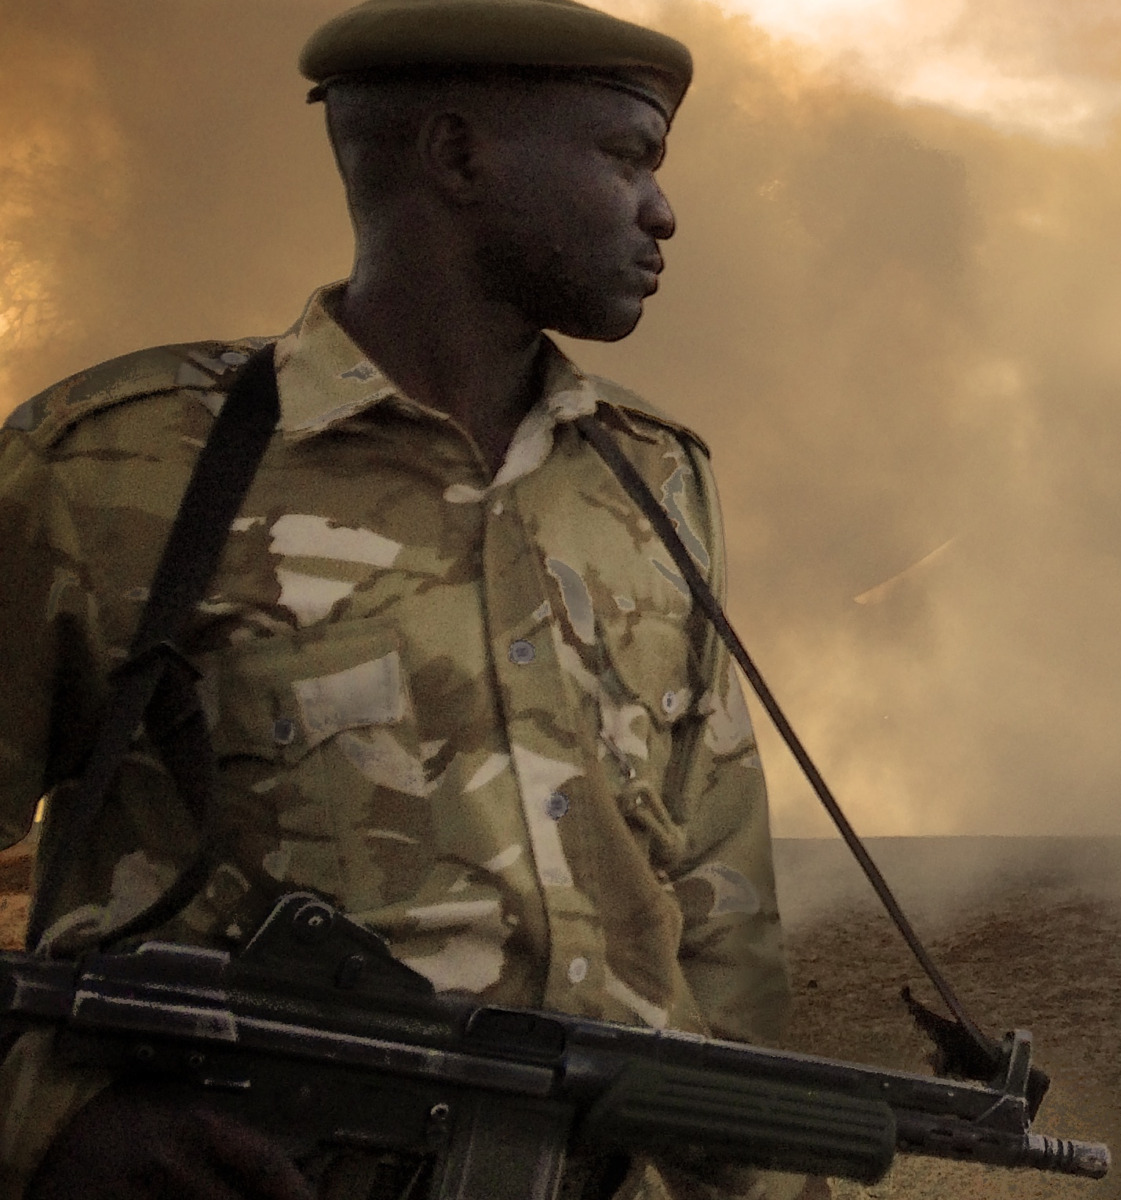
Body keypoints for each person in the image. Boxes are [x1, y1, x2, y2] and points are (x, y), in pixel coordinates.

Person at [0, 1, 806, 1195]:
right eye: (626, 156)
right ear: (458, 155)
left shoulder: (655, 482)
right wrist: (51, 1130)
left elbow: (721, 927)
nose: (662, 208)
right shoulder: (114, 472)